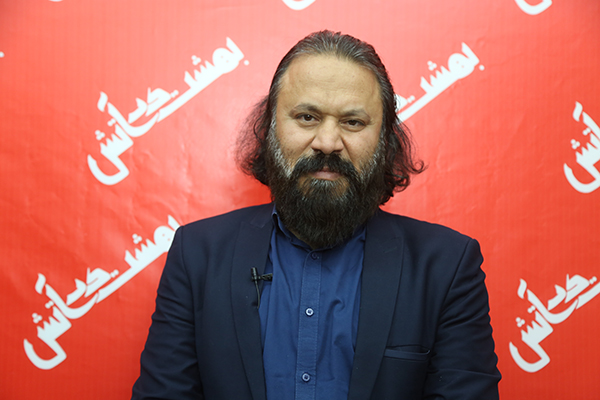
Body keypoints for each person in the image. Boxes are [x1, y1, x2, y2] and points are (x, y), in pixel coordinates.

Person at [132, 30, 501, 400]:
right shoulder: (197, 255)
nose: (327, 142)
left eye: (353, 122)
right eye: (307, 117)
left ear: (385, 140)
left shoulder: (448, 266)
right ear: (270, 129)